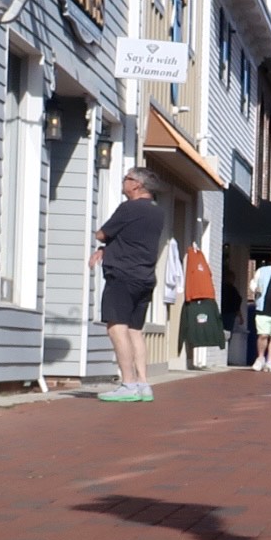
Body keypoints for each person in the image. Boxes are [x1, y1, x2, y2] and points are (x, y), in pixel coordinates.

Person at [89, 167, 164, 402]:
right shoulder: (157, 212)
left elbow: (101, 234)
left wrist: (104, 244)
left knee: (116, 327)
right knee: (135, 330)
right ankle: (143, 383)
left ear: (137, 185)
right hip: (145, 276)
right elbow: (131, 239)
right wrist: (107, 249)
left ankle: (128, 383)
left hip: (122, 275)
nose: (124, 181)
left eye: (127, 178)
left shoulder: (129, 208)